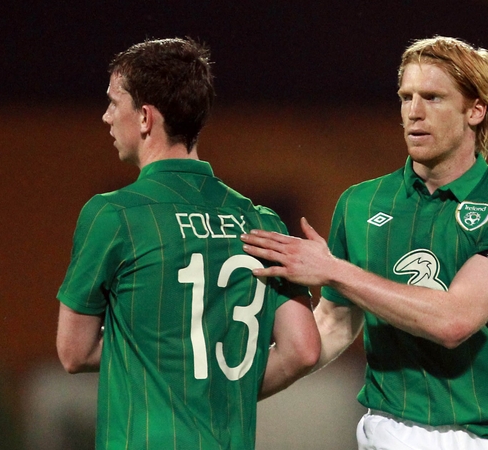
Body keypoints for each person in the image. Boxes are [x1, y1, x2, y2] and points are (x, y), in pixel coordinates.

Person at [240, 36, 488, 449]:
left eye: (433, 98)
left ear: (476, 110)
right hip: (392, 430)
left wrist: (333, 268)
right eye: (406, 97)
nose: (414, 113)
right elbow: (334, 324)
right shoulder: (360, 202)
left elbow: (453, 321)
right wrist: (231, 392)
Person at [55, 37, 320, 450]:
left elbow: (74, 352)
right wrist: (217, 389)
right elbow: (303, 350)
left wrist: (163, 353)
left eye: (113, 102)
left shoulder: (114, 215)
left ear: (145, 118)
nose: (106, 117)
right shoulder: (262, 221)